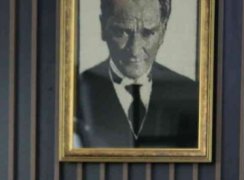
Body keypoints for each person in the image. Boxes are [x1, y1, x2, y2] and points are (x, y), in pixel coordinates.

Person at [76, 0, 199, 148]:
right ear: (103, 27)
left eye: (148, 33)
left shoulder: (191, 92)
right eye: (121, 32)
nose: (135, 50)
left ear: (163, 31)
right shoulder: (74, 93)